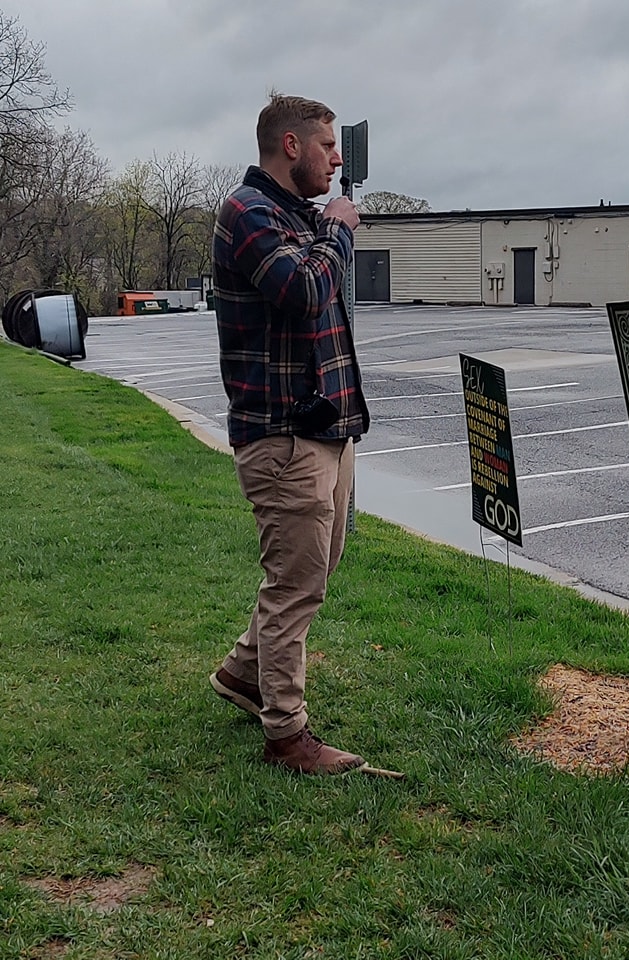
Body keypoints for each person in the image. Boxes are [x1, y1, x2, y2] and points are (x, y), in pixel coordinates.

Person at [209, 93, 370, 775]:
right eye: (327, 146)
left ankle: (243, 673)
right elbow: (303, 292)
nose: (337, 159)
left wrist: (325, 229)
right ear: (291, 146)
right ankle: (285, 734)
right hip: (281, 438)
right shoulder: (247, 213)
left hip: (324, 431)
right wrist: (338, 232)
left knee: (315, 570)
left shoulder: (296, 216)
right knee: (294, 585)